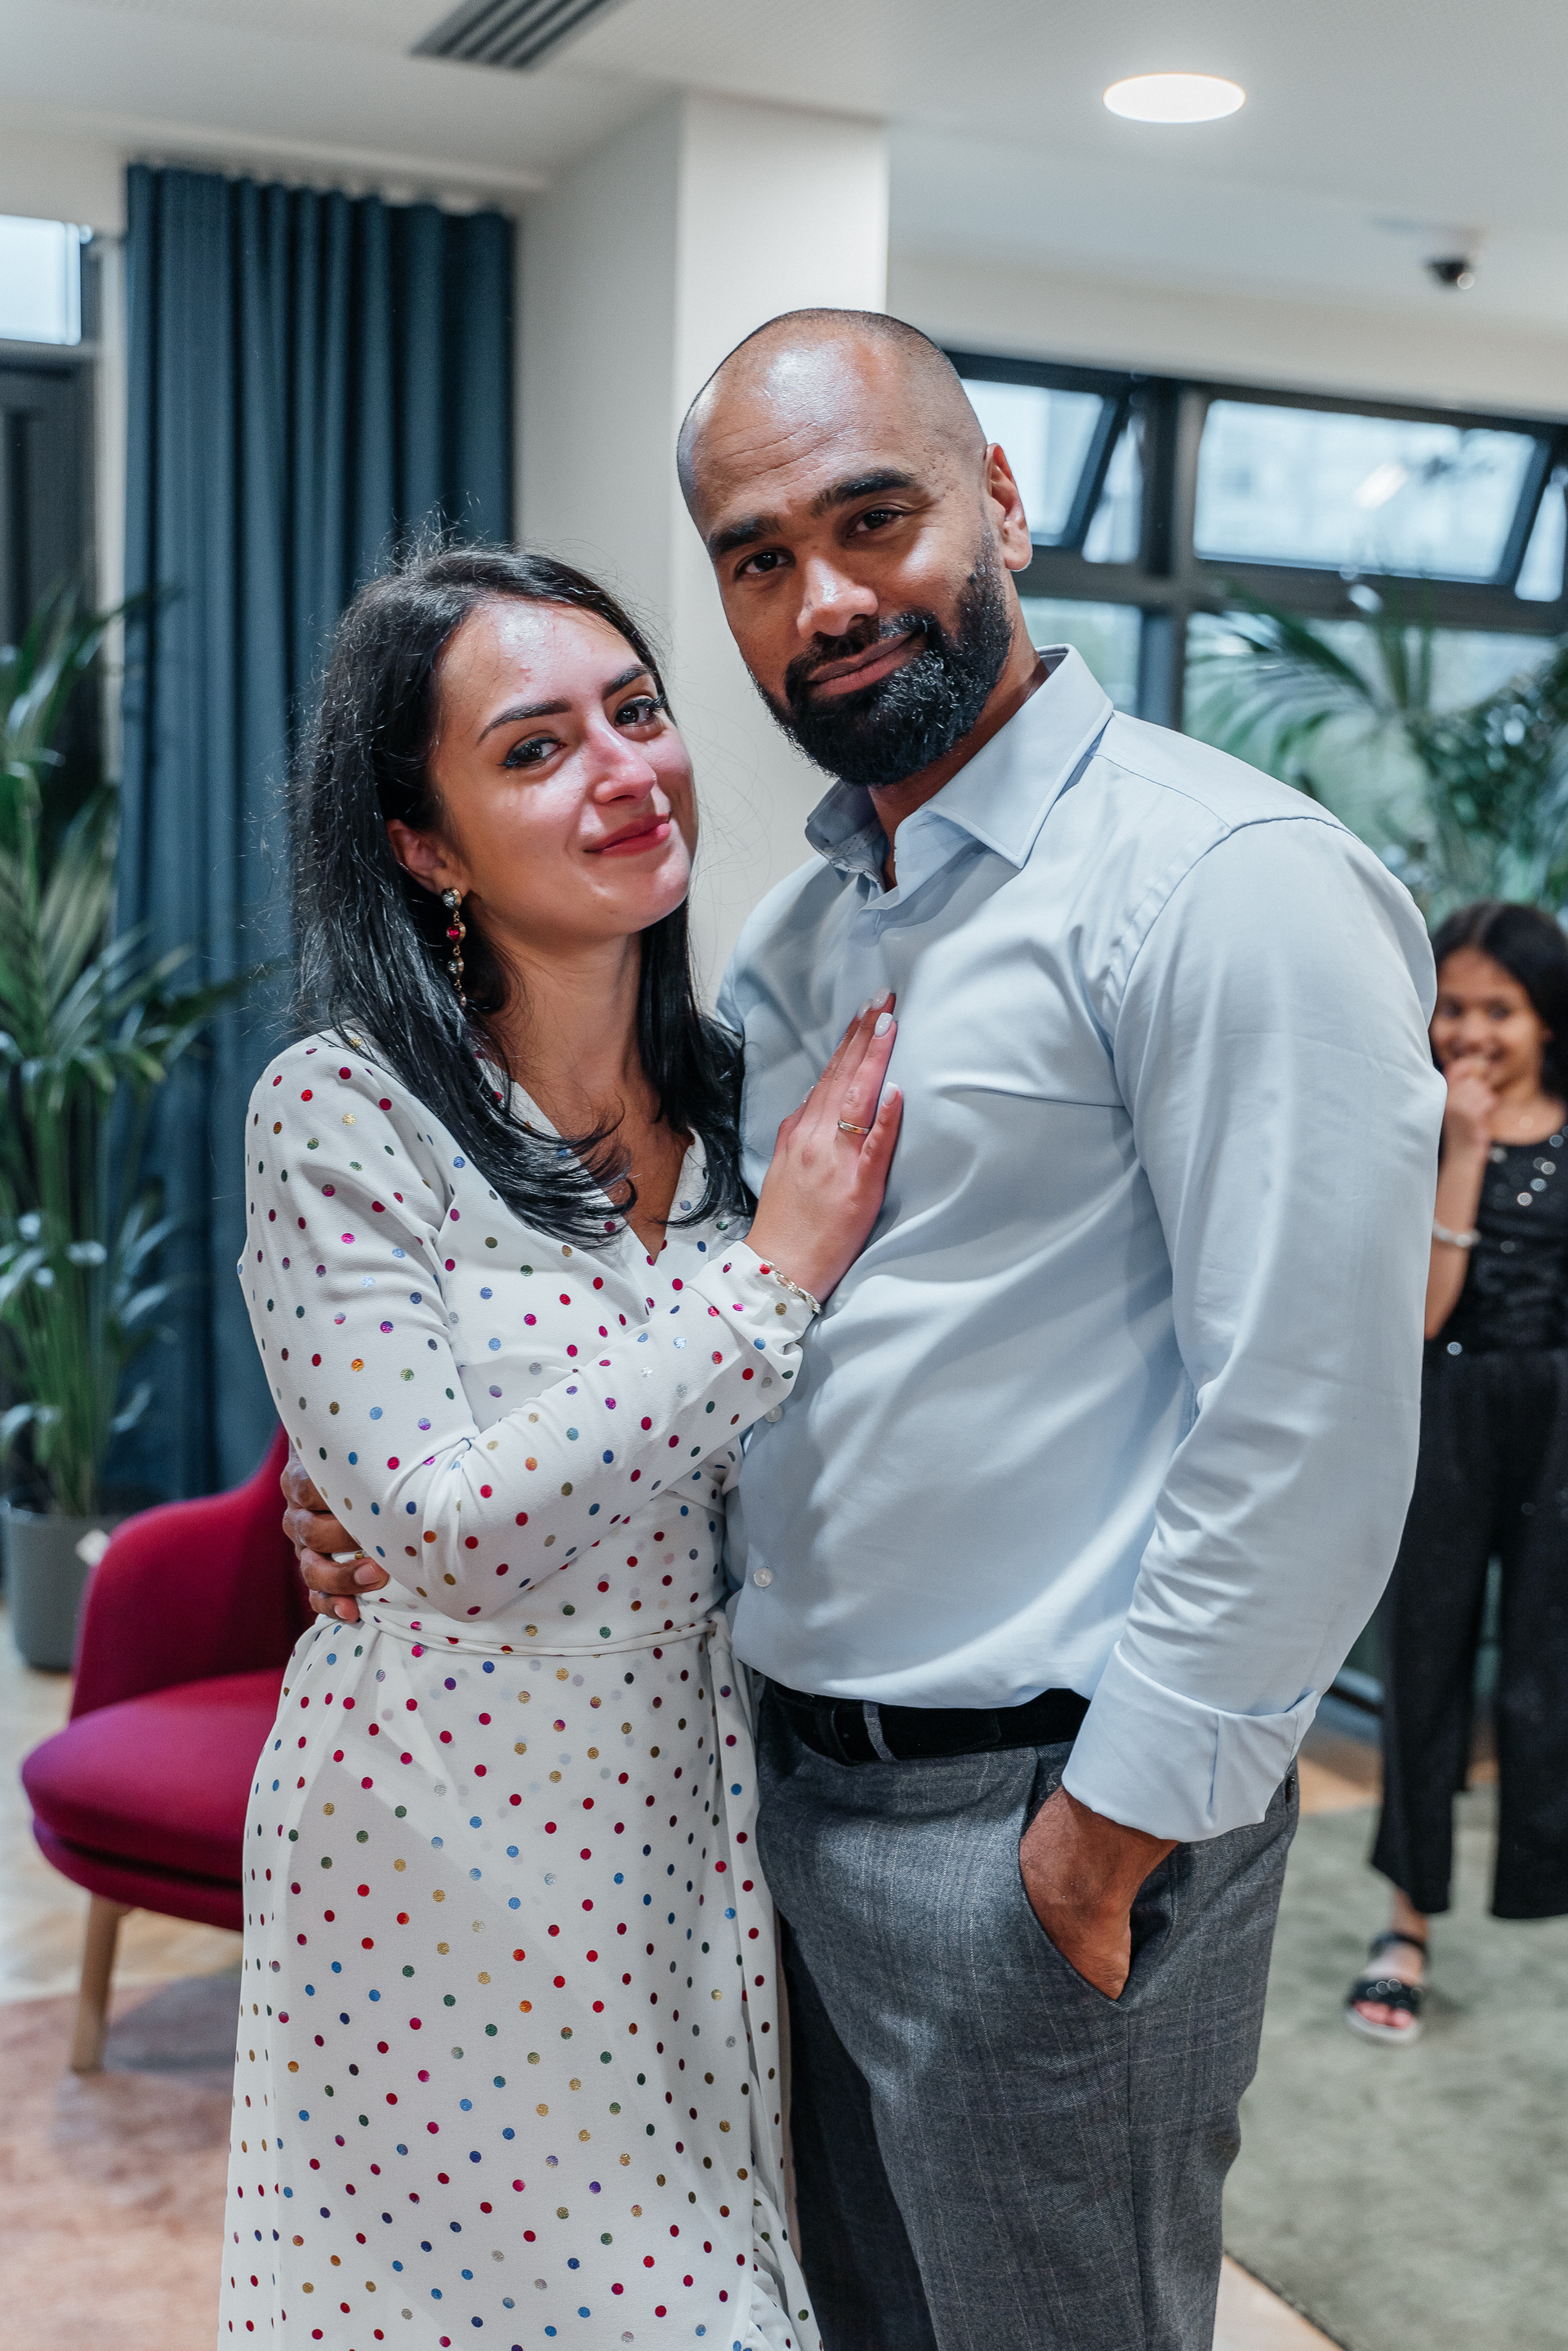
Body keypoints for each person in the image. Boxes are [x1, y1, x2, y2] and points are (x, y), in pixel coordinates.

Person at [291, 312, 1445, 2351]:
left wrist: (1101, 1846)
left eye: (873, 518)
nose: (823, 599)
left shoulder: (1224, 881)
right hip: (774, 1807)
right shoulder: (797, 937)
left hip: (1037, 1825)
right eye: (758, 559)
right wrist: (386, 1479)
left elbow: (1311, 1423)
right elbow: (729, 1341)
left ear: (1001, 498)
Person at [220, 544, 905, 2350]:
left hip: (704, 1818)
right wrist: (767, 1283)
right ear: (424, 845)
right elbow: (450, 1530)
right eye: (533, 749)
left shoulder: (755, 1092)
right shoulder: (342, 1109)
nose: (624, 769)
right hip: (436, 1840)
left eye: (637, 711)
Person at [1348, 899, 1568, 2046]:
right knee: (1425, 1670)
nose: (1471, 1033)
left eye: (1501, 1010)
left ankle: (1544, 1882)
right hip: (1443, 1417)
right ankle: (1405, 1926)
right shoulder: (1415, 1125)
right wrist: (1468, 1147)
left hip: (1560, 1428)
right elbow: (1422, 1321)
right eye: (1455, 1008)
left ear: (1547, 1017)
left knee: (1549, 1673)